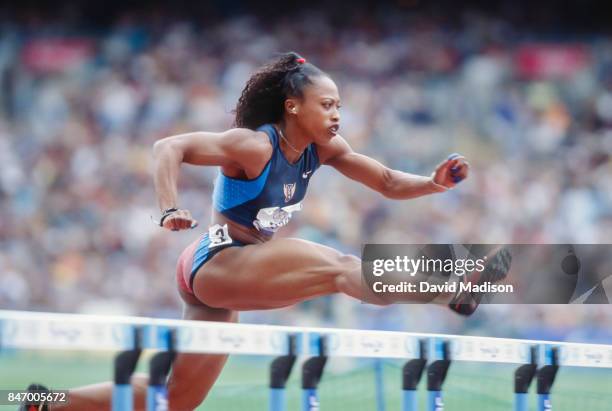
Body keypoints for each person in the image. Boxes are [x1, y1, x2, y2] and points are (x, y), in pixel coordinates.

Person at [22, 52, 472, 411]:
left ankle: (43, 402)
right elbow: (168, 146)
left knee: (176, 399)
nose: (337, 115)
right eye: (328, 105)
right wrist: (169, 207)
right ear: (293, 106)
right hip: (219, 261)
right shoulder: (255, 146)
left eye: (339, 106)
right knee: (341, 268)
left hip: (228, 274)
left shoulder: (325, 149)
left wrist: (433, 184)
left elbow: (388, 182)